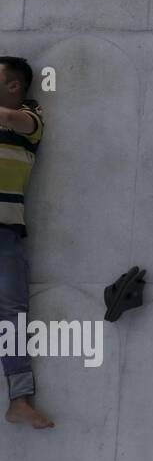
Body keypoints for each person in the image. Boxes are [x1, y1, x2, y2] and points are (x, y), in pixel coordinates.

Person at [0, 57, 52, 430]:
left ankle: (19, 400)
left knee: (13, 317)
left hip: (7, 234)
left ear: (14, 87)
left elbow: (12, 119)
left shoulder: (29, 118)